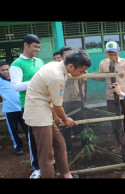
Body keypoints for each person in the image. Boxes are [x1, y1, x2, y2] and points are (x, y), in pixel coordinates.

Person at [23, 49, 91, 178]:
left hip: (45, 109)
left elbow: (51, 97)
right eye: (81, 71)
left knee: (60, 144)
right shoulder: (57, 76)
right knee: (46, 153)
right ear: (71, 66)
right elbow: (57, 105)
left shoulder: (58, 66)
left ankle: (66, 175)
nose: (83, 74)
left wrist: (55, 115)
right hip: (37, 113)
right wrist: (66, 119)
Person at [10, 34, 44, 178]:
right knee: (33, 136)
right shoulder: (17, 64)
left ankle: (47, 160)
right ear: (26, 45)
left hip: (44, 102)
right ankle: (36, 167)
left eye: (39, 47)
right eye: (35, 46)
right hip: (29, 104)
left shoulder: (40, 61)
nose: (37, 49)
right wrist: (37, 81)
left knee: (45, 133)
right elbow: (16, 86)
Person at [98, 41, 125, 152]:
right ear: (106, 53)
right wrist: (87, 75)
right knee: (114, 120)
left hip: (124, 96)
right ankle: (118, 143)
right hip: (110, 97)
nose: (113, 56)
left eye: (115, 53)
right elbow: (101, 78)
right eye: (110, 54)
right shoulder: (103, 64)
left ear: (119, 51)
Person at [0, 61, 28, 155]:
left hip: (23, 108)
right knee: (13, 130)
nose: (5, 71)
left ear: (10, 69)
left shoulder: (17, 78)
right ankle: (18, 147)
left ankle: (32, 144)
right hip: (9, 110)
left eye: (7, 69)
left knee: (27, 128)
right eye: (2, 70)